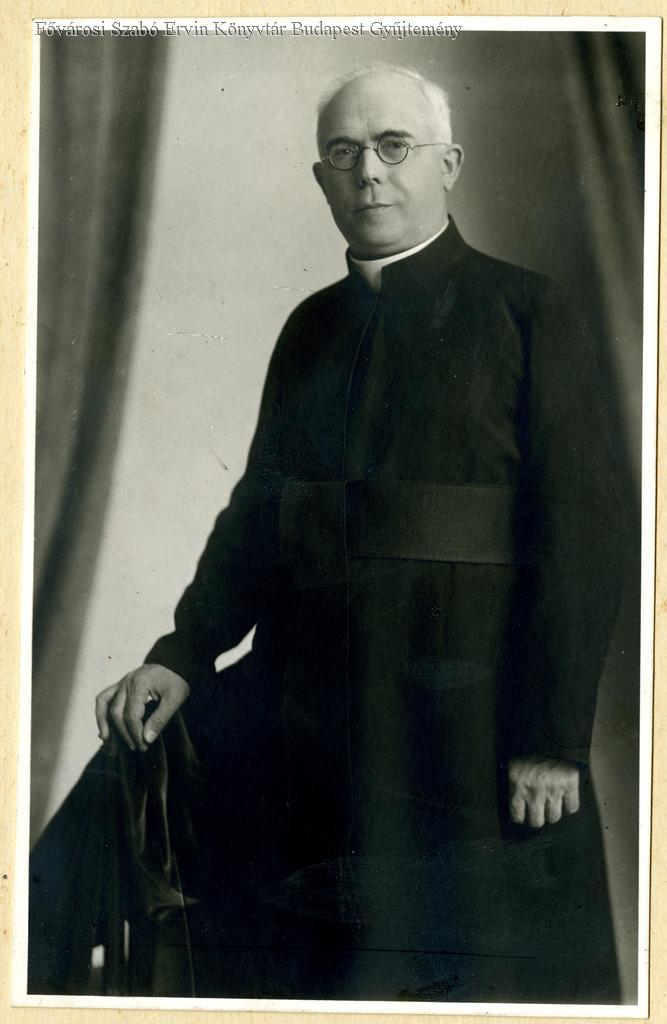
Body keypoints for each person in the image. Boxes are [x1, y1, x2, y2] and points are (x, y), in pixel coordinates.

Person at [95, 64, 625, 1002]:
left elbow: (583, 532)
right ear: (321, 179)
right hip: (319, 732)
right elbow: (258, 516)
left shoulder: (530, 312)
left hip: (472, 733)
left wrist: (550, 738)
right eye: (342, 153)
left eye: (392, 146)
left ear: (447, 164)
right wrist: (181, 651)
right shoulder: (308, 331)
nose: (368, 173)